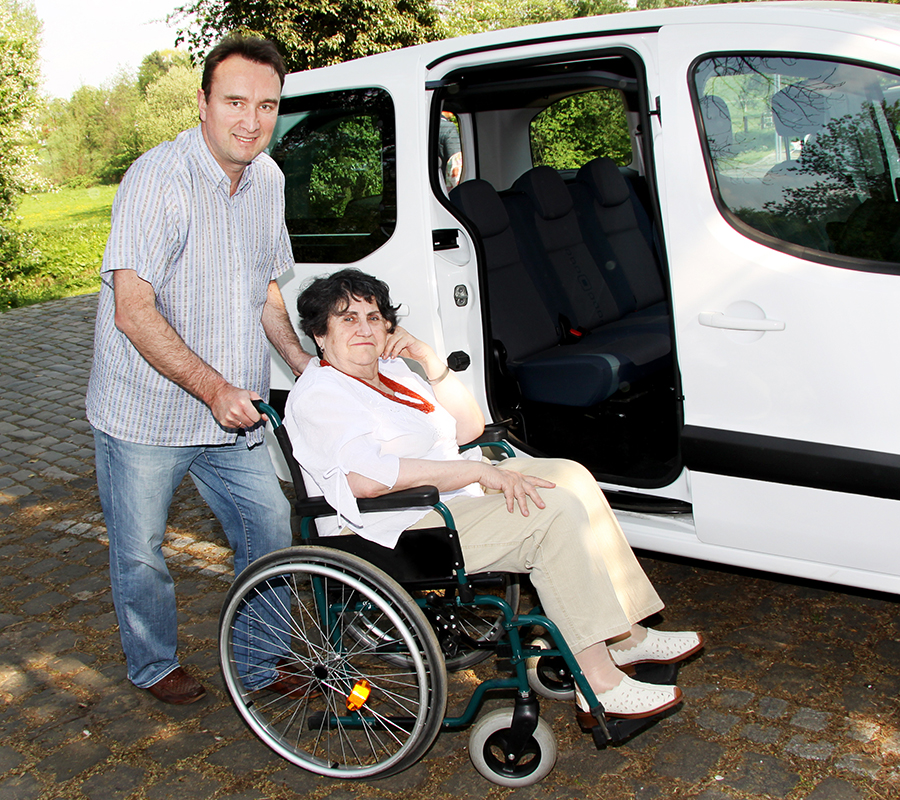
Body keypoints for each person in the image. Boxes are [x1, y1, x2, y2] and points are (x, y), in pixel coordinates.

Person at [284, 269, 703, 721]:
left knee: (571, 478)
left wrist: (430, 362)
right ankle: (598, 683)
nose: (364, 329)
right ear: (319, 334)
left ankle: (625, 636)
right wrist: (471, 470)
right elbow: (366, 481)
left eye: (373, 316)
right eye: (347, 319)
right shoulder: (322, 394)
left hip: (448, 495)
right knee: (553, 514)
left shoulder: (391, 372)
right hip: (392, 524)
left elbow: (468, 429)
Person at [85, 36, 312, 705]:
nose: (251, 119)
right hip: (146, 414)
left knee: (270, 526)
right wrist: (213, 387)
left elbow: (267, 290)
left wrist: (301, 362)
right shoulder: (158, 179)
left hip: (230, 412)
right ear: (204, 103)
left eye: (266, 105)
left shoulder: (267, 179)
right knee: (140, 554)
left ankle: (260, 659)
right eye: (235, 101)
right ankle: (152, 663)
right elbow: (133, 310)